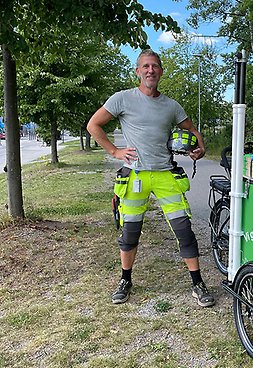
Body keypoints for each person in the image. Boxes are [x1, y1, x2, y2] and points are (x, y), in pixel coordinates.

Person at [87, 49, 215, 307]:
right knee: (130, 232)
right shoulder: (122, 99)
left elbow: (192, 130)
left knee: (184, 231)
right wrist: (114, 151)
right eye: (145, 66)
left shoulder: (171, 105)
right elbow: (94, 125)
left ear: (161, 71)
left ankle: (197, 284)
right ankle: (125, 280)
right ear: (138, 71)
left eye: (155, 66)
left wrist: (200, 149)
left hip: (166, 176)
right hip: (134, 176)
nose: (150, 70)